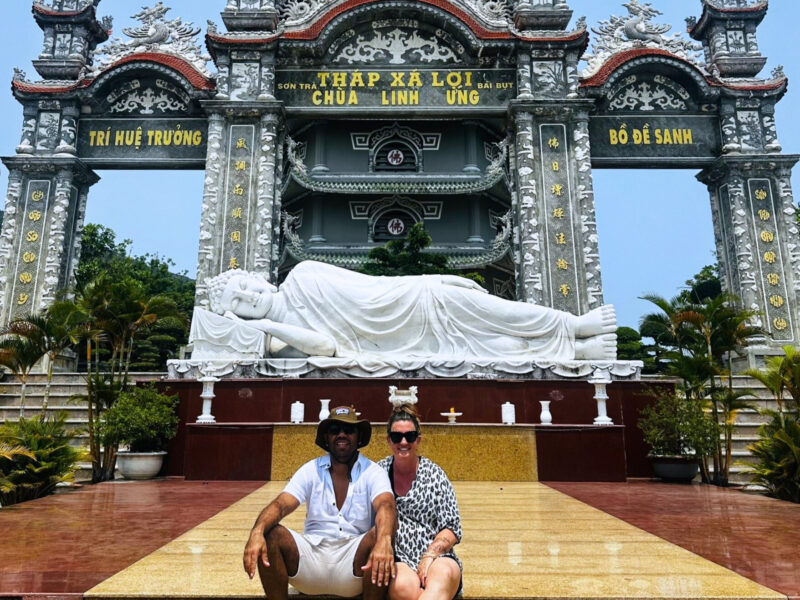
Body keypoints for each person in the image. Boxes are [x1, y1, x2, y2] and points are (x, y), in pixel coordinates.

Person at [205, 260, 617, 362]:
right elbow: (327, 347)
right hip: (393, 342)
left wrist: (428, 283)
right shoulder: (281, 340)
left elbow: (368, 288)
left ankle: (573, 325)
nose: (248, 298)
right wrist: (267, 325)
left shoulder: (303, 272)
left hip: (409, 299)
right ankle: (575, 353)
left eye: (244, 286)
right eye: (238, 305)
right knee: (480, 349)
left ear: (256, 276)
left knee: (492, 310)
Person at [242, 405, 397, 600]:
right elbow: (280, 505)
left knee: (383, 532)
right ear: (326, 438)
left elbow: (386, 505)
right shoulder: (311, 469)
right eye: (334, 430)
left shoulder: (373, 472)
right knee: (271, 533)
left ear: (358, 437)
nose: (342, 435)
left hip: (354, 565)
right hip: (310, 561)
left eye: (348, 430)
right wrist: (256, 532)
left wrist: (384, 541)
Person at [378, 404, 462, 600]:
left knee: (444, 574)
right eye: (397, 437)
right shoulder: (378, 473)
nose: (404, 442)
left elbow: (452, 528)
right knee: (401, 586)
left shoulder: (435, 475)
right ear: (389, 440)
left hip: (437, 557)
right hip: (400, 560)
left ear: (419, 440)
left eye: (410, 436)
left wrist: (429, 556)